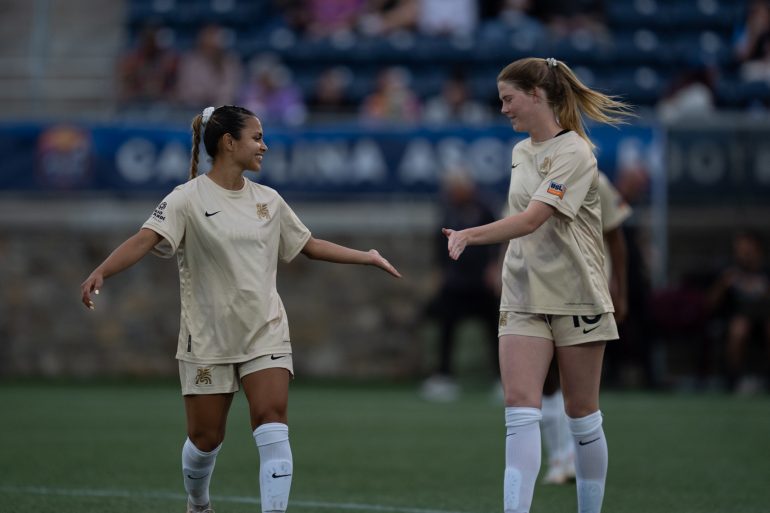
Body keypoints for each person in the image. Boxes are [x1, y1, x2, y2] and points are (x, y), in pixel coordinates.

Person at [80, 105, 401, 513]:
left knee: (272, 421)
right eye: (257, 137)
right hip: (208, 338)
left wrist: (367, 256)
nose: (264, 145)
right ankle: (198, 505)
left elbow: (309, 245)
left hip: (264, 331)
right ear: (229, 144)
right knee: (205, 438)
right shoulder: (186, 198)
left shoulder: (269, 199)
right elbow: (144, 239)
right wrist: (102, 271)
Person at [442, 57, 632, 513]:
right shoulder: (520, 151)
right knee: (519, 410)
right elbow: (521, 226)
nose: (503, 108)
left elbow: (530, 219)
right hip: (524, 294)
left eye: (509, 99)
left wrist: (470, 234)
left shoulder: (576, 153)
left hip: (576, 295)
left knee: (582, 416)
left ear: (536, 95)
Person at [539, 171, 631, 485]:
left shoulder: (594, 179)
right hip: (542, 288)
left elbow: (616, 237)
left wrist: (619, 288)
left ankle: (576, 458)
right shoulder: (525, 170)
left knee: (579, 388)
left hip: (587, 292)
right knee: (546, 377)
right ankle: (558, 457)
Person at [419, 167, 500, 402]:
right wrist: (439, 273)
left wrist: (495, 267)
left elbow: (498, 238)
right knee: (446, 328)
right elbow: (438, 243)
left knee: (496, 330)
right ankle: (444, 376)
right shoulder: (447, 208)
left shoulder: (484, 206)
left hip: (482, 282)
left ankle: (501, 378)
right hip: (455, 282)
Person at [708, 231, 770, 394]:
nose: (743, 254)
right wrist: (723, 285)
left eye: (747, 249)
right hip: (738, 319)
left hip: (764, 318)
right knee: (739, 328)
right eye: (740, 249)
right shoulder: (729, 272)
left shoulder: (765, 272)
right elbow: (709, 304)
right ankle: (735, 380)